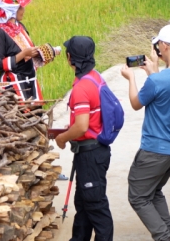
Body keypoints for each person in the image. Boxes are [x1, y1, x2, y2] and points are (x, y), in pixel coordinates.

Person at [122, 24, 170, 241]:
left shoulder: (157, 80)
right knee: (153, 191)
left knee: (137, 196)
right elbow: (169, 89)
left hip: (154, 149)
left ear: (164, 46)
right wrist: (153, 72)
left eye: (158, 45)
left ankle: (164, 237)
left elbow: (137, 103)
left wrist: (132, 78)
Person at [54, 36, 114, 241]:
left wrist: (62, 138)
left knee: (96, 206)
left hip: (90, 154)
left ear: (70, 58)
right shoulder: (95, 76)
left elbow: (81, 126)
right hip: (94, 153)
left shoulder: (81, 87)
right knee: (84, 204)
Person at [0, 0, 44, 101]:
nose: (24, 10)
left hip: (30, 81)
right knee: (21, 115)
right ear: (12, 10)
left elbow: (29, 49)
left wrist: (42, 52)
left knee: (37, 114)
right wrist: (23, 54)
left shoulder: (20, 27)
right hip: (13, 86)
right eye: (20, 7)